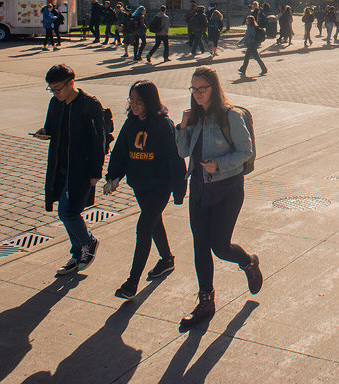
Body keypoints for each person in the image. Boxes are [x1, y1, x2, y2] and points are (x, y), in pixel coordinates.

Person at [175, 66, 262, 330]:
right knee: (200, 246)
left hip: (227, 189)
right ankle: (206, 300)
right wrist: (182, 126)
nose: (198, 94)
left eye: (203, 88)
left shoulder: (230, 115)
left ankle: (248, 262)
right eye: (194, 89)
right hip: (200, 189)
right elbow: (181, 152)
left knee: (220, 247)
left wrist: (220, 164)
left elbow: (245, 151)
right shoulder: (196, 118)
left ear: (214, 88)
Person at [103, 80, 186, 299]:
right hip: (140, 185)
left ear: (150, 101)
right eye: (131, 100)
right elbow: (120, 151)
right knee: (154, 223)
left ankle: (131, 283)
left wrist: (179, 189)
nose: (135, 104)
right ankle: (167, 259)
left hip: (160, 186)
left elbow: (174, 157)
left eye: (139, 101)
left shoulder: (163, 124)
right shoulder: (131, 123)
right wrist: (113, 177)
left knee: (143, 228)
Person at [32, 64, 109, 276]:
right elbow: (51, 128)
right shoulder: (55, 104)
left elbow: (98, 140)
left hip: (81, 169)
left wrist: (96, 172)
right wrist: (44, 132)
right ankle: (77, 254)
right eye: (51, 89)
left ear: (71, 83)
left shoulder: (89, 105)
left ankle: (88, 242)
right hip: (59, 166)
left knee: (67, 212)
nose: (55, 93)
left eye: (58, 88)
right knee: (69, 211)